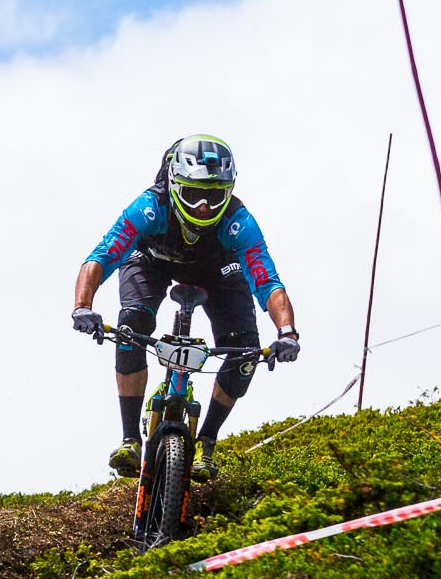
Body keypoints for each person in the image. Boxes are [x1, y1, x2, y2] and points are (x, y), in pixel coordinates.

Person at [70, 135, 300, 480]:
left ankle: (207, 443)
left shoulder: (240, 222)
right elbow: (102, 256)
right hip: (151, 260)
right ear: (175, 185)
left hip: (218, 271)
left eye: (215, 195)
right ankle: (130, 439)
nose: (204, 206)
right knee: (131, 325)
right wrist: (83, 307)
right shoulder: (150, 207)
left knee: (246, 352)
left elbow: (266, 280)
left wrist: (286, 333)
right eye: (193, 194)